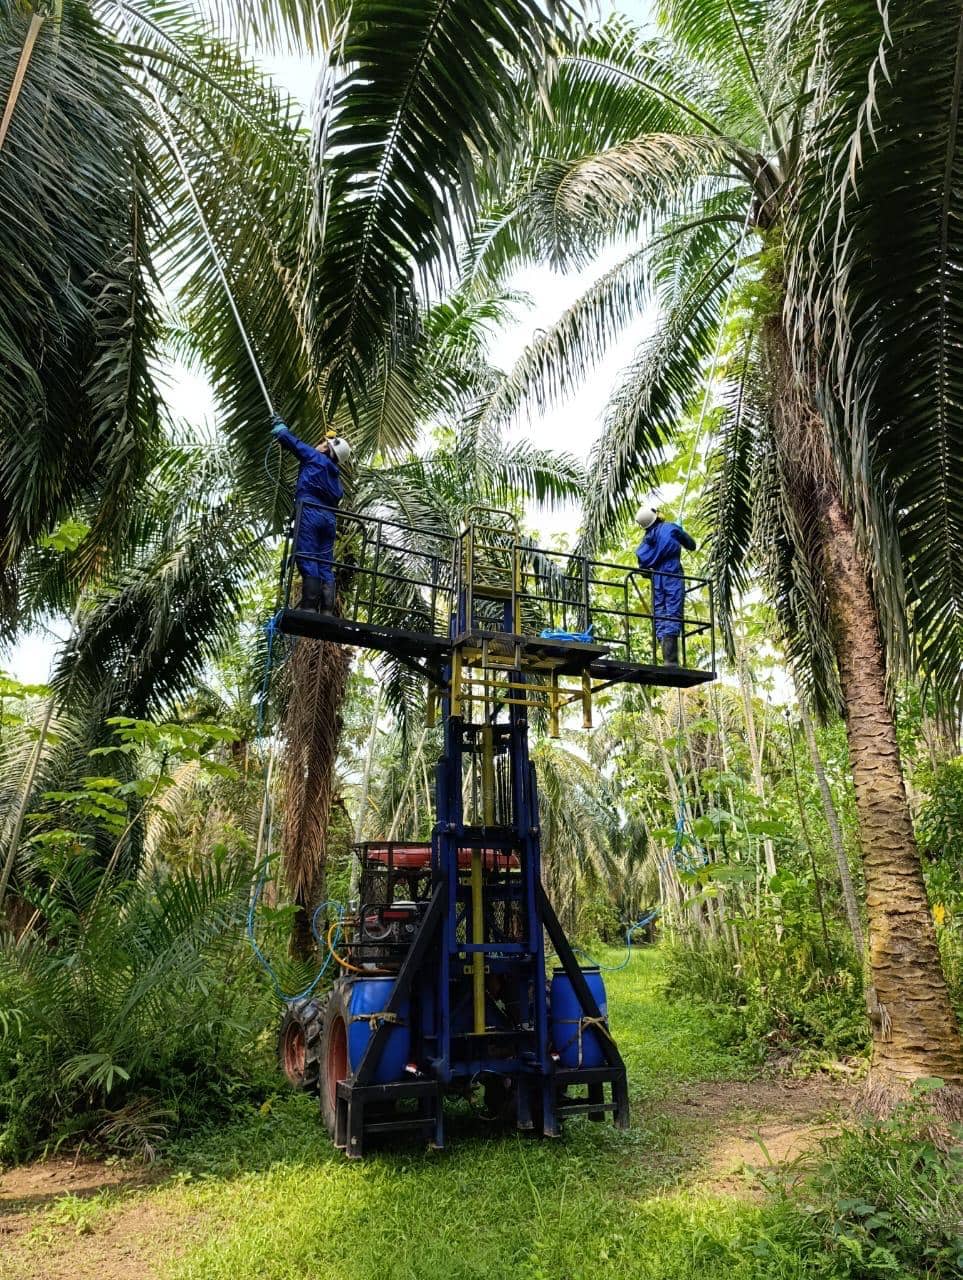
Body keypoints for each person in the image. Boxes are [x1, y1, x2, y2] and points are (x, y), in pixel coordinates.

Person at [271, 414, 352, 613]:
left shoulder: (314, 457)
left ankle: (308, 608)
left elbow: (292, 442)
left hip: (310, 512)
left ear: (326, 448)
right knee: (325, 563)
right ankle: (326, 610)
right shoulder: (336, 480)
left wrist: (280, 427)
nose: (319, 444)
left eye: (322, 442)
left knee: (306, 555)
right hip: (329, 520)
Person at [634, 506, 697, 665]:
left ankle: (667, 658)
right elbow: (691, 545)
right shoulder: (670, 528)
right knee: (672, 611)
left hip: (657, 578)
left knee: (660, 613)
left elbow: (643, 569)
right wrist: (680, 531)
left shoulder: (646, 542)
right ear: (656, 516)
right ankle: (671, 660)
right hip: (672, 574)